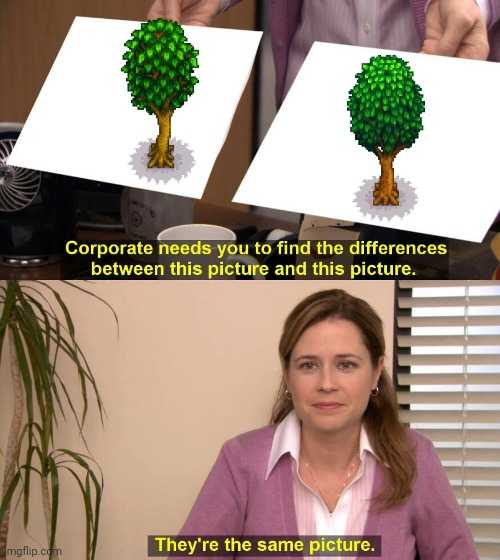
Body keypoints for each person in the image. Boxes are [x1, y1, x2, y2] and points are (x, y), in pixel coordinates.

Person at [176, 289, 478, 559]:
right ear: (287, 374)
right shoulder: (240, 460)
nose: (327, 383)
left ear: (376, 372)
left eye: (346, 365)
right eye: (308, 365)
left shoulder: (416, 457)